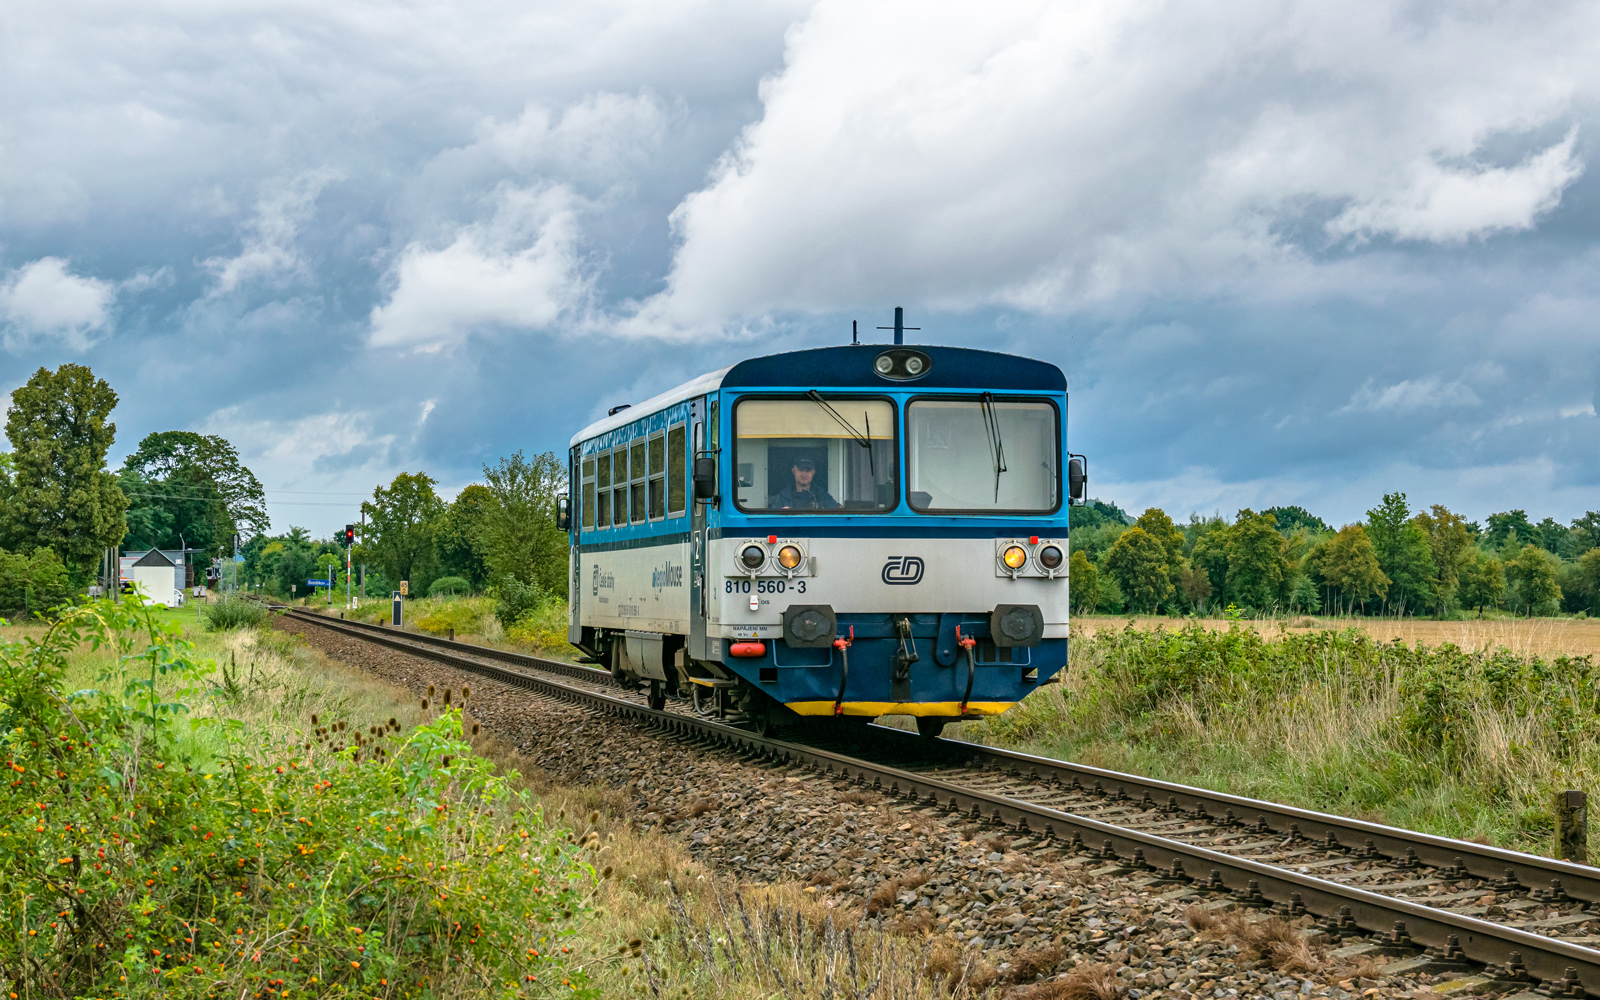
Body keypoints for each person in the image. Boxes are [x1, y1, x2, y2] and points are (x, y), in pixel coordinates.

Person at [773, 457, 840, 509]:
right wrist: (781, 514)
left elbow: (838, 514)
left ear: (813, 472)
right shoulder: (783, 497)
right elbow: (772, 521)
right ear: (794, 471)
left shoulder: (822, 496)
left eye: (808, 470)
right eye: (801, 470)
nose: (804, 475)